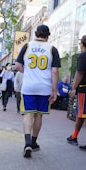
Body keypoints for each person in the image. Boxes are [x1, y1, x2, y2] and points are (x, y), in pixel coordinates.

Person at [15, 24, 60, 158]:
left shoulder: (27, 46)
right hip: (44, 87)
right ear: (48, 35)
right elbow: (55, 71)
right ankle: (34, 143)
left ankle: (27, 143)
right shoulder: (52, 49)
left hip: (28, 86)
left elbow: (17, 65)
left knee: (28, 115)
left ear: (35, 33)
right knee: (38, 115)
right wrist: (54, 90)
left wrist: (28, 72)